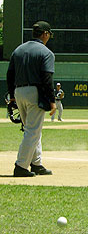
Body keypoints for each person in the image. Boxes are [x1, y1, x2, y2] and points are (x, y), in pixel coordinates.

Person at [6, 20, 56, 177]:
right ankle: (20, 166)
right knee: (33, 131)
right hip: (35, 92)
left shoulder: (18, 50)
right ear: (45, 34)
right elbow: (47, 78)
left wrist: (12, 95)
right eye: (49, 34)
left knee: (32, 128)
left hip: (19, 91)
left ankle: (36, 164)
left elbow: (10, 75)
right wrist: (52, 100)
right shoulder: (45, 52)